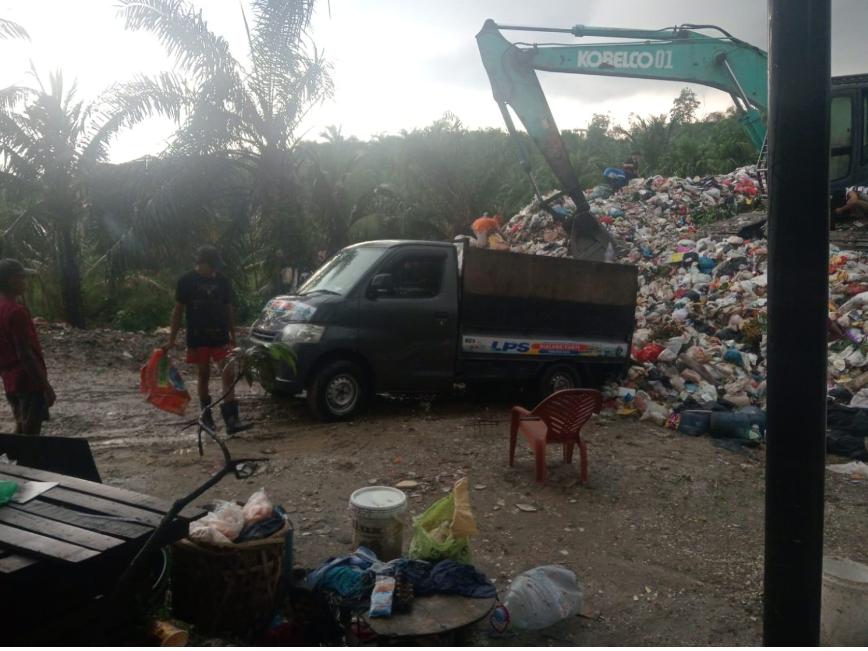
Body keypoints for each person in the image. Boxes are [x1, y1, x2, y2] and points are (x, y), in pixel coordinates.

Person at [163, 245, 251, 434]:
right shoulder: (186, 281)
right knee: (203, 375)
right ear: (201, 264)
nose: (214, 271)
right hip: (198, 337)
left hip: (220, 335)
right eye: (212, 266)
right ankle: (207, 417)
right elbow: (178, 311)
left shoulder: (223, 281)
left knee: (228, 373)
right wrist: (171, 339)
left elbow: (228, 309)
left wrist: (233, 335)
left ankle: (232, 419)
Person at [0, 259, 55, 435]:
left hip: (10, 380)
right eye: (21, 277)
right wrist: (45, 386)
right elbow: (25, 353)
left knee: (20, 425)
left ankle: (12, 452)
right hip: (28, 380)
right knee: (30, 433)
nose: (25, 282)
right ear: (11, 280)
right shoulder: (17, 311)